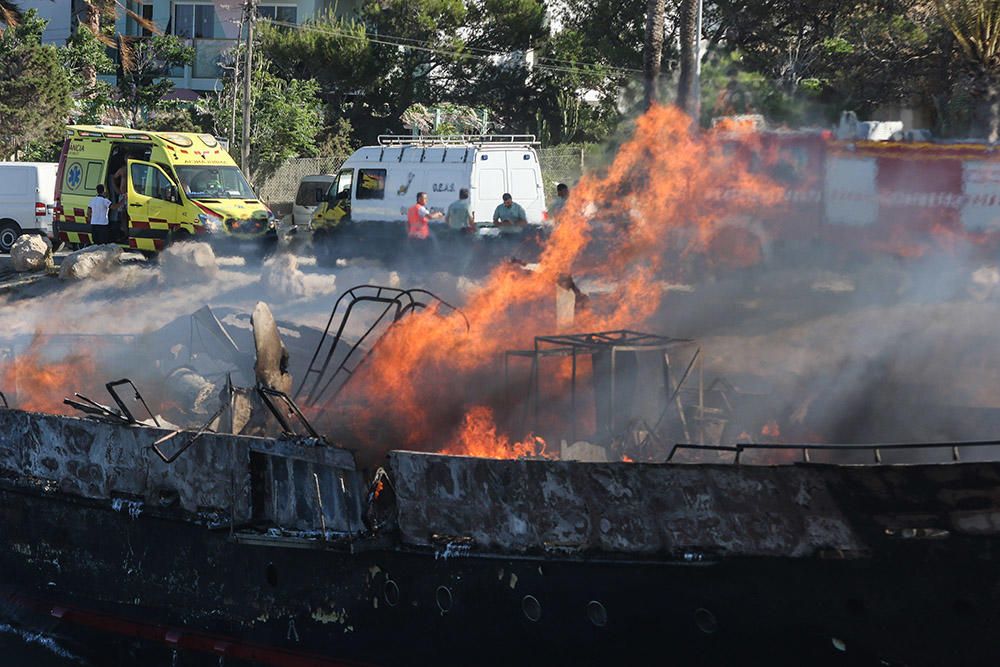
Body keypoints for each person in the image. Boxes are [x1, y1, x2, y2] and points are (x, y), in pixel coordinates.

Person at [406, 192, 443, 265]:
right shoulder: (420, 208)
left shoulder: (411, 209)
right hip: (420, 237)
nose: (426, 200)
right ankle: (421, 272)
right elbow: (430, 217)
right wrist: (438, 214)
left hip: (412, 236)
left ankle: (413, 272)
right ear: (419, 199)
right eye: (425, 198)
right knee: (424, 255)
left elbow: (408, 223)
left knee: (415, 256)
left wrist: (409, 233)